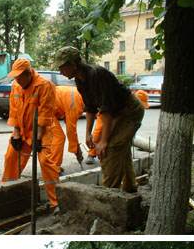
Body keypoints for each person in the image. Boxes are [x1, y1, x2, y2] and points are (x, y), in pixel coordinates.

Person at [55, 46, 145, 192]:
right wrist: (88, 134)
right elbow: (90, 108)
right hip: (116, 112)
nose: (60, 72)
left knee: (110, 149)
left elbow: (106, 110)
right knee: (121, 149)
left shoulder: (97, 75)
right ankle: (130, 189)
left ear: (73, 65)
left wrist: (103, 141)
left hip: (130, 111)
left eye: (62, 68)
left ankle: (107, 194)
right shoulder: (80, 80)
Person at [2, 58, 59, 208]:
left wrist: (38, 139)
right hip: (22, 129)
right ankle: (8, 193)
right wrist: (16, 135)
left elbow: (45, 115)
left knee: (45, 161)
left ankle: (56, 202)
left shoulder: (45, 86)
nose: (17, 80)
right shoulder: (16, 85)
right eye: (15, 77)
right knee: (10, 157)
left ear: (29, 74)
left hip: (42, 130)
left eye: (20, 77)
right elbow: (14, 112)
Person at [86, 88, 149, 165]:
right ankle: (91, 154)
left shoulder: (130, 107)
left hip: (113, 115)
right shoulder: (123, 103)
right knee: (99, 132)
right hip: (105, 113)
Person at [50, 86, 84, 172]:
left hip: (44, 107)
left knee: (54, 137)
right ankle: (53, 168)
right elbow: (71, 130)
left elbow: (62, 102)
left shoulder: (78, 92)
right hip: (43, 110)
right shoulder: (78, 102)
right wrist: (77, 150)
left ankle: (51, 165)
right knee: (59, 137)